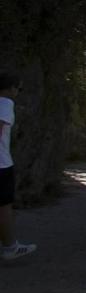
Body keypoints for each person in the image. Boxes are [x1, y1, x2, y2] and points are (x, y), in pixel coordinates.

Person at [0, 73, 31, 262]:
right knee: (4, 207)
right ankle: (10, 246)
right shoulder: (5, 103)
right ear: (11, 88)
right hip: (1, 164)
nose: (18, 93)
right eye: (19, 89)